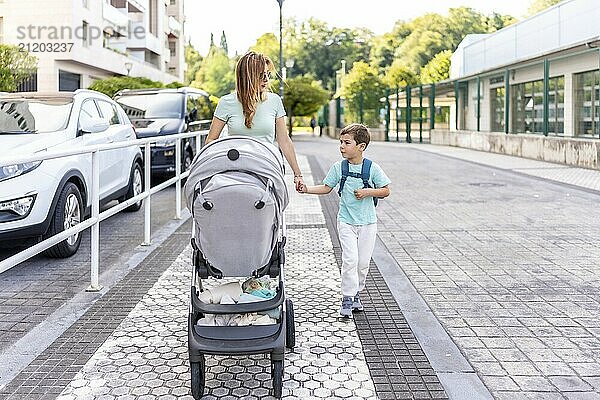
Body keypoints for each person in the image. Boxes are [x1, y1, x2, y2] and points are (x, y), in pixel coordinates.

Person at [299, 123, 390, 317]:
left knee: (363, 263)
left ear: (361, 146)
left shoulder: (372, 168)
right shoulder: (339, 168)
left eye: (347, 143)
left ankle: (356, 292)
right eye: (340, 142)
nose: (341, 146)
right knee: (350, 259)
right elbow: (326, 187)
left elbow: (385, 190)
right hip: (346, 221)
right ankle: (347, 297)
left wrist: (368, 192)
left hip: (367, 223)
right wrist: (307, 189)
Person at [205, 51, 304, 192]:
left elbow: (284, 141)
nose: (266, 79)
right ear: (247, 77)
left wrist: (297, 174)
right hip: (235, 171)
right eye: (261, 75)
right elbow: (211, 141)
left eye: (267, 74)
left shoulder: (274, 101)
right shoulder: (226, 102)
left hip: (267, 170)